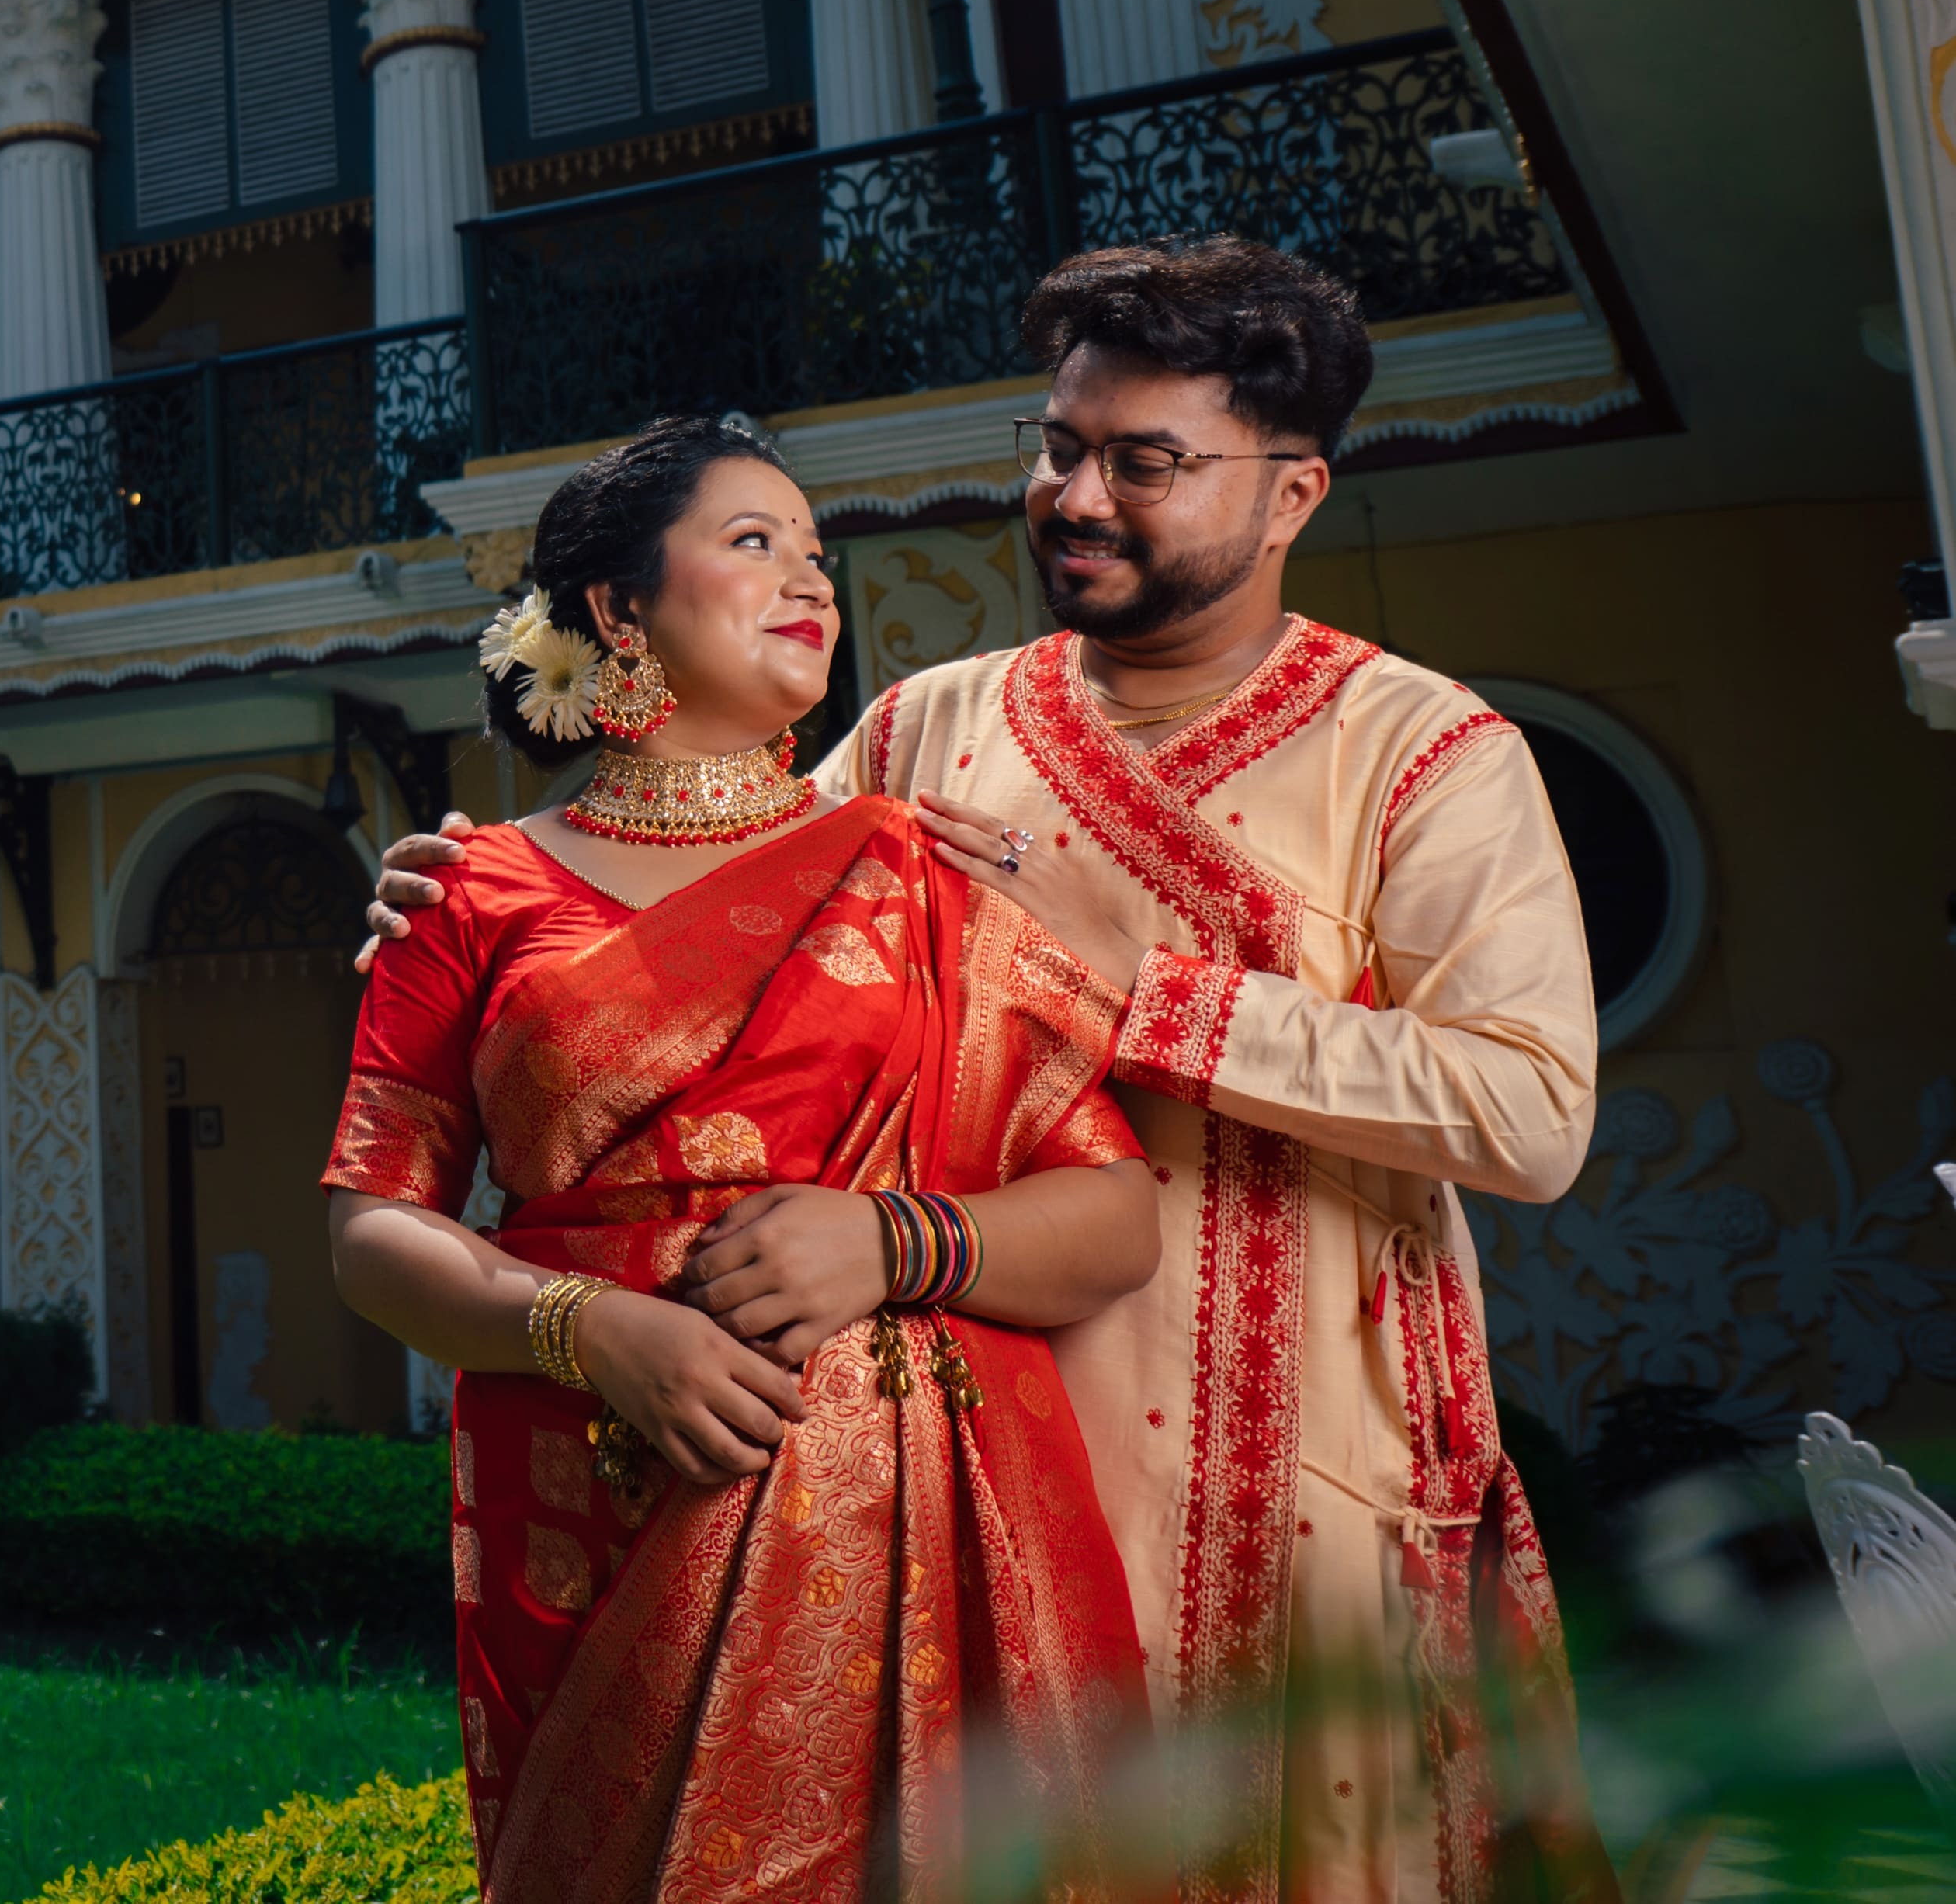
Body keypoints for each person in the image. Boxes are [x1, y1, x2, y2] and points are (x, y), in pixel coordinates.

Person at [361, 240, 1614, 1901]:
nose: (1074, 498)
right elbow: (691, 931)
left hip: (1302, 1472)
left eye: (1142, 464)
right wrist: (467, 901)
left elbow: (1527, 1111)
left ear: (1292, 492)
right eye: (1057, 448)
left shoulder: (1423, 751)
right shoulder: (924, 730)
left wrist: (1128, 993)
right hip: (952, 1481)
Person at [323, 407, 1161, 1898]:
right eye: (754, 541)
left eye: (817, 553)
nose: (812, 579)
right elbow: (372, 1230)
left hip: (916, 1505)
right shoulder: (467, 894)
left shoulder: (915, 870)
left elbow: (1111, 1216)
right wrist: (591, 1330)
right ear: (615, 610)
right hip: (601, 1486)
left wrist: (892, 1241)